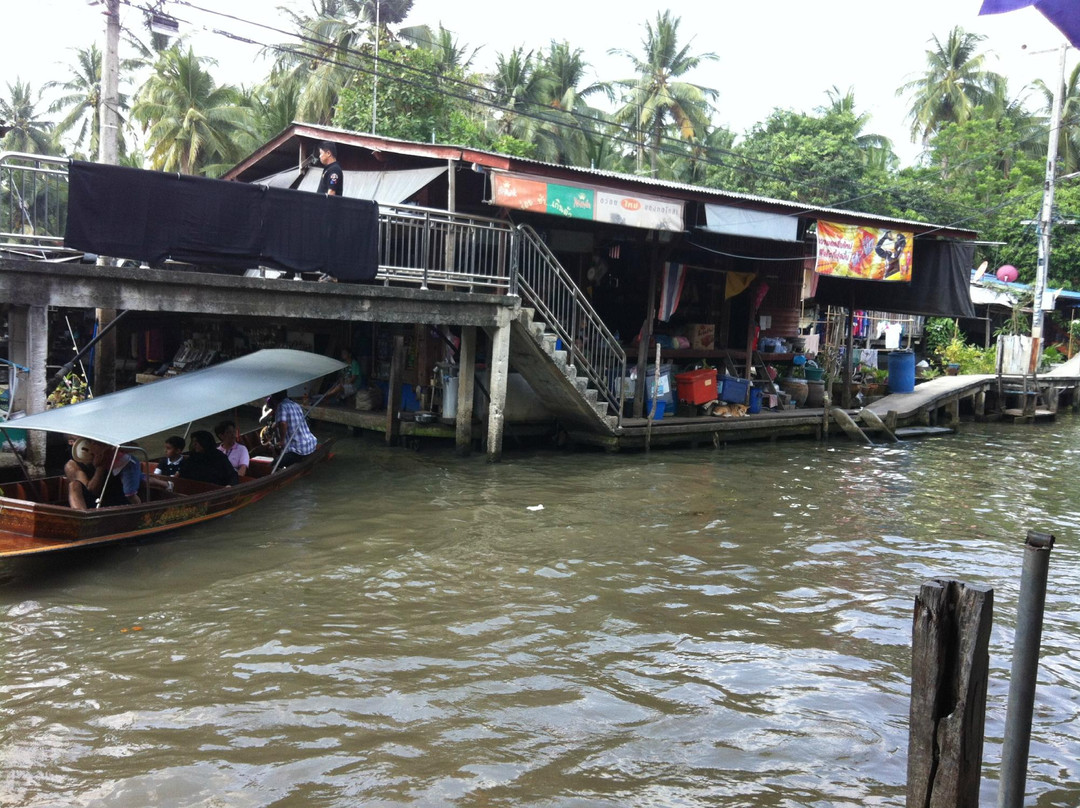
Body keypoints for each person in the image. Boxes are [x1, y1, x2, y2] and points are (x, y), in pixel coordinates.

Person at [67, 439, 143, 509]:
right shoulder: (72, 465)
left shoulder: (102, 445)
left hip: (119, 498)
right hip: (94, 504)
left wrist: (111, 447)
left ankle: (140, 511)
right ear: (71, 442)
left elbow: (134, 446)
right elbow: (93, 491)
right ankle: (82, 520)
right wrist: (101, 466)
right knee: (74, 485)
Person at [266, 390, 317, 469]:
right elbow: (289, 420)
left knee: (272, 465)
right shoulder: (295, 405)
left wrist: (282, 441)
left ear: (274, 399)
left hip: (299, 450)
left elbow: (283, 423)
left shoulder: (281, 406)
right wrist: (275, 425)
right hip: (310, 444)